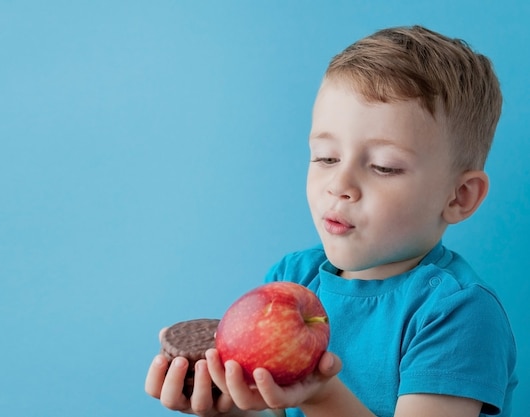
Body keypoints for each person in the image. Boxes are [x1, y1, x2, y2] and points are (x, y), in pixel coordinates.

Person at [145, 25, 517, 417]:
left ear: (459, 197)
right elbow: (273, 409)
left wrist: (320, 396)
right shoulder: (291, 280)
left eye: (383, 167)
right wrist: (229, 405)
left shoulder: (459, 314)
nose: (340, 185)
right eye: (326, 157)